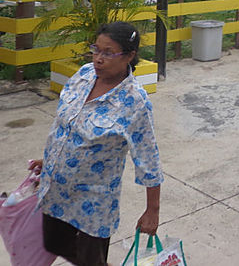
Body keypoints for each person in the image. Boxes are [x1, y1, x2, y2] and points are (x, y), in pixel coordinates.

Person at [29, 21, 163, 266]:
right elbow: (63, 126)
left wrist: (152, 210)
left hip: (93, 203)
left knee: (90, 259)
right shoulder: (83, 75)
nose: (99, 59)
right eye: (96, 49)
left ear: (130, 56)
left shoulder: (135, 102)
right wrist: (50, 161)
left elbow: (148, 158)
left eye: (108, 53)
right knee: (54, 244)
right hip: (56, 191)